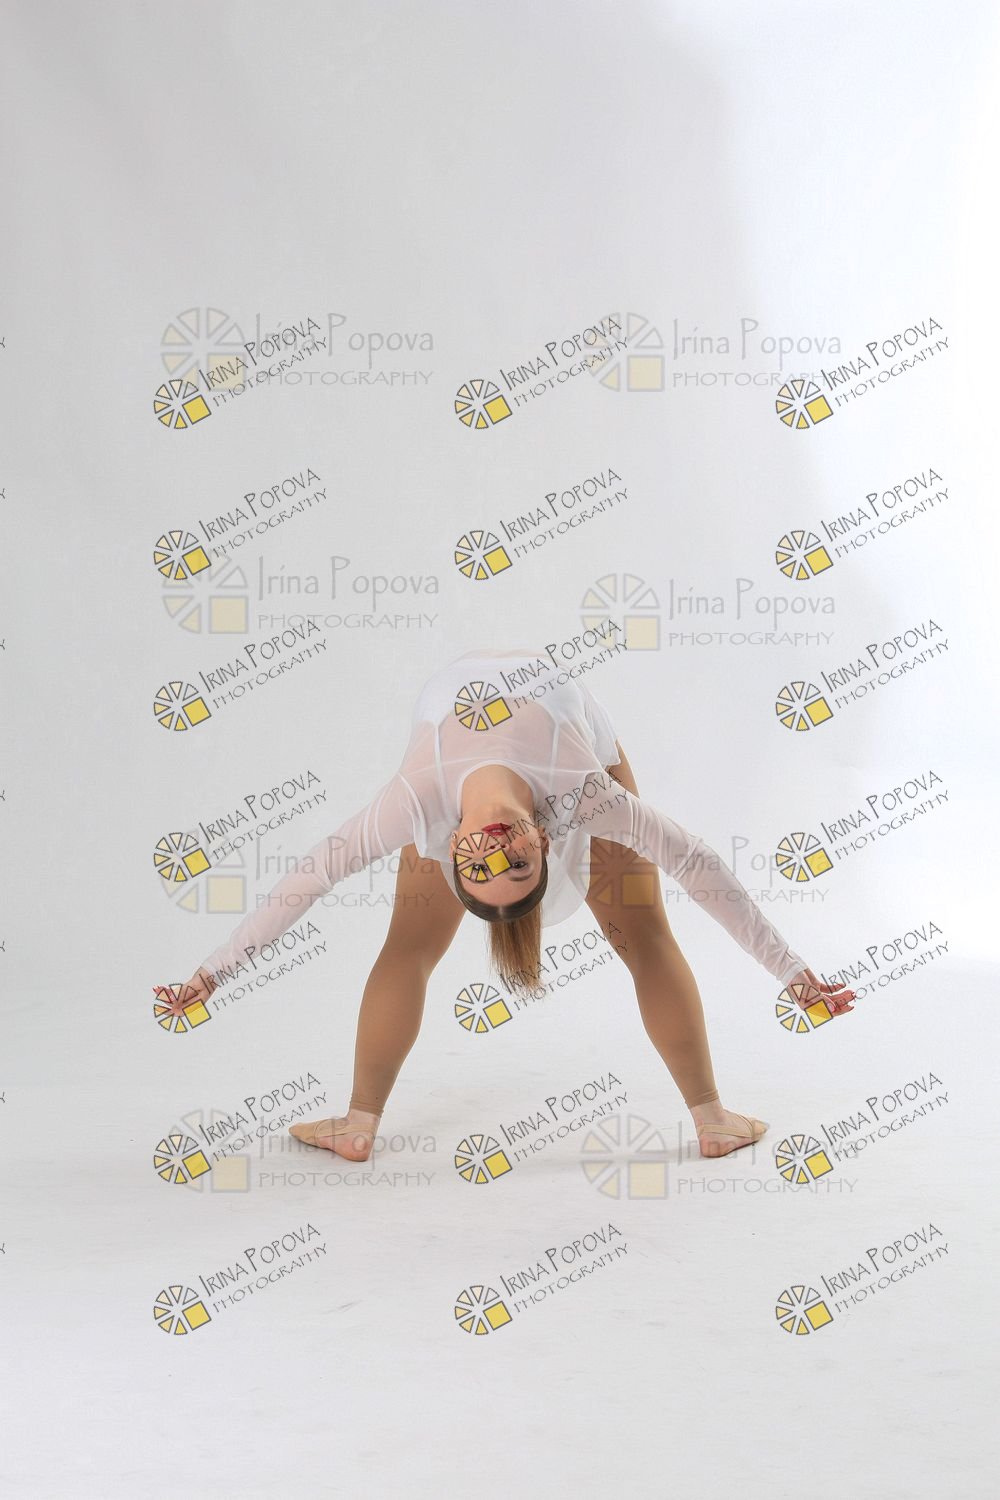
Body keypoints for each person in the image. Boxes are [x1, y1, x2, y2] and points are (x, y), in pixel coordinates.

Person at [167, 642, 855, 1162]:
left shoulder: (419, 806)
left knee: (415, 947)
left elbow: (307, 877)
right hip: (583, 735)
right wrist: (794, 972)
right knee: (641, 937)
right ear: (546, 843)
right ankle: (713, 1121)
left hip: (525, 732)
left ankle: (357, 1124)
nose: (496, 850)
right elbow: (698, 862)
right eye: (516, 864)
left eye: (482, 864)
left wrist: (210, 974)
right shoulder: (588, 794)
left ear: (451, 849)